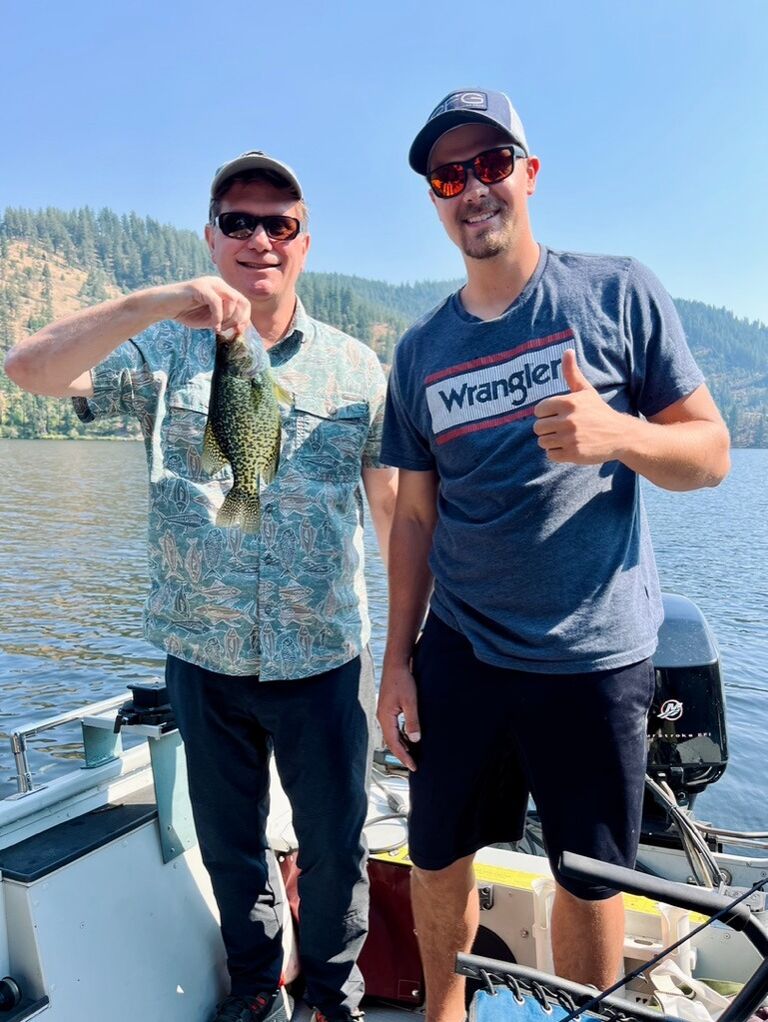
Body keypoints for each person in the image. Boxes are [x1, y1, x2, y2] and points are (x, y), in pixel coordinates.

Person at [5, 150, 397, 1022]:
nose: (259, 239)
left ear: (305, 241)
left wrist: (409, 652)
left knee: (336, 847)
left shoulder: (356, 370)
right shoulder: (158, 355)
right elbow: (27, 370)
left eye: (279, 223)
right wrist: (156, 301)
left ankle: (333, 998)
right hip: (203, 656)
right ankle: (258, 986)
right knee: (230, 846)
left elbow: (397, 516)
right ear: (212, 237)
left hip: (325, 658)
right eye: (239, 222)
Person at [376, 88, 730, 1017]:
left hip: (595, 657)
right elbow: (414, 518)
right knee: (439, 855)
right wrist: (396, 662)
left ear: (529, 175)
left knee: (591, 875)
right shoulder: (419, 353)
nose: (473, 189)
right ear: (435, 200)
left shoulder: (617, 292)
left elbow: (710, 453)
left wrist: (619, 436)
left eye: (492, 165)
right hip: (462, 648)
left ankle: (591, 1014)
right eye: (450, 175)